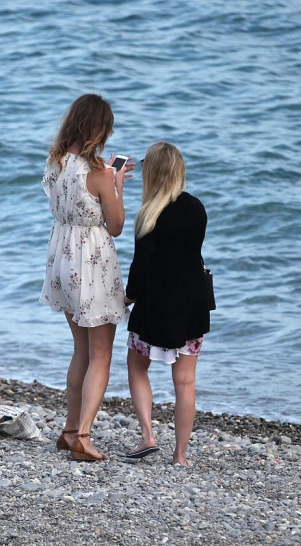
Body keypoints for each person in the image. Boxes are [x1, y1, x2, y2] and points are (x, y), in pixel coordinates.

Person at [40, 93, 134, 461]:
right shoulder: (99, 173)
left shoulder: (57, 161)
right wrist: (116, 185)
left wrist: (108, 179)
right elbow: (116, 226)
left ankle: (68, 429)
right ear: (101, 130)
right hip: (91, 261)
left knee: (81, 348)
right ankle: (82, 435)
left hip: (61, 255)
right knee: (101, 353)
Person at [124, 141, 211, 467]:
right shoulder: (196, 208)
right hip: (192, 306)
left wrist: (128, 298)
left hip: (155, 309)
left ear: (153, 173)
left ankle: (147, 435)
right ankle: (180, 456)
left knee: (136, 366)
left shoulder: (149, 214)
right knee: (185, 381)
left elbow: (141, 267)